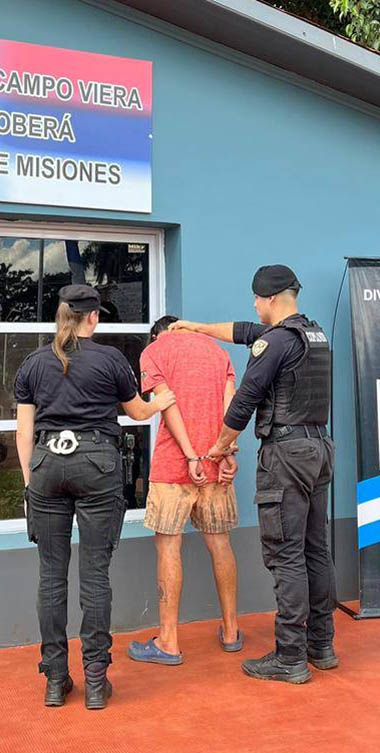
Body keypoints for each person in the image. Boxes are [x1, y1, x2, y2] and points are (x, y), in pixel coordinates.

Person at [171, 264, 337, 684]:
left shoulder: (277, 341)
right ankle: (321, 645)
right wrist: (197, 327)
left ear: (272, 298)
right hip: (318, 449)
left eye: (257, 298)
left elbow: (245, 400)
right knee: (316, 550)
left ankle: (290, 657)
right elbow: (246, 332)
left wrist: (221, 446)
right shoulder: (311, 334)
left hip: (287, 455)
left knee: (286, 554)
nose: (254, 304)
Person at [14, 285, 175, 710]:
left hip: (47, 464)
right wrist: (161, 400)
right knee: (95, 576)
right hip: (97, 463)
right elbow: (137, 412)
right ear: (93, 317)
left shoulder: (34, 363)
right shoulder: (110, 359)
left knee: (51, 577)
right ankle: (97, 681)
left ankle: (55, 680)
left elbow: (25, 432)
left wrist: (31, 483)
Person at [127, 315, 241, 666]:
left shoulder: (154, 351)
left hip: (174, 465)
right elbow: (231, 406)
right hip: (216, 462)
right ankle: (232, 631)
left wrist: (190, 455)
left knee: (168, 546)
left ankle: (168, 641)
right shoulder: (217, 351)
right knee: (220, 543)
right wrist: (226, 451)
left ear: (157, 334)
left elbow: (167, 404)